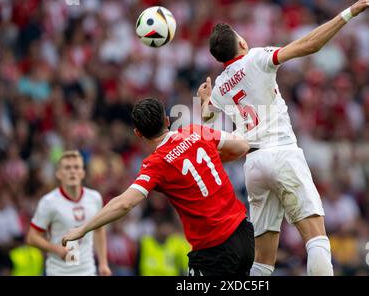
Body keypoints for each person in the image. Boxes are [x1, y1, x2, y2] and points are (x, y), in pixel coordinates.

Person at [197, 0, 369, 276]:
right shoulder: (257, 58)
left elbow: (208, 116)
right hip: (282, 152)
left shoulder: (221, 86)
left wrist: (203, 100)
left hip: (255, 165)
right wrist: (350, 12)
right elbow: (310, 45)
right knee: (316, 238)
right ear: (242, 44)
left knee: (262, 259)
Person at [62, 97, 254, 276]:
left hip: (214, 250)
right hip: (244, 235)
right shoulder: (195, 131)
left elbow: (124, 204)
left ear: (138, 133)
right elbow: (242, 147)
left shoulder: (156, 163)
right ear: (167, 120)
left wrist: (83, 229)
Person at [26, 150, 112, 276]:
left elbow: (99, 230)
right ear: (59, 174)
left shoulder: (94, 198)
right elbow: (32, 237)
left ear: (82, 173)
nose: (72, 171)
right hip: (58, 272)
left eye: (76, 167)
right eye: (67, 168)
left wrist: (103, 264)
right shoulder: (48, 202)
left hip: (88, 271)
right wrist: (56, 249)